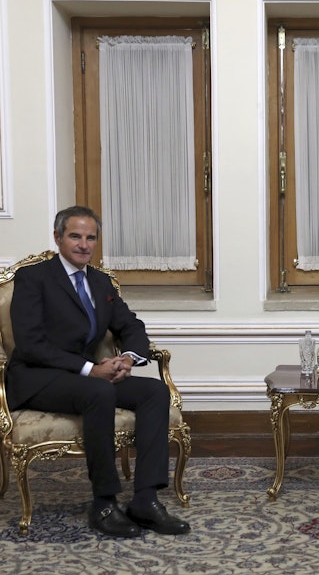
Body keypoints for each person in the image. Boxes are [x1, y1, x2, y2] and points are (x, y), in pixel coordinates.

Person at [6, 206, 190, 538]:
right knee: (99, 390)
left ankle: (145, 501)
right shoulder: (34, 278)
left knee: (154, 392)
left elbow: (130, 325)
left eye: (90, 237)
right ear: (58, 237)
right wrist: (92, 369)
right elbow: (31, 344)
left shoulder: (100, 280)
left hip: (86, 379)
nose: (83, 244)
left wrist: (129, 359)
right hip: (38, 377)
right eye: (75, 236)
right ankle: (104, 503)